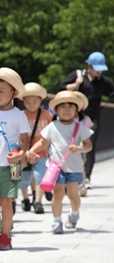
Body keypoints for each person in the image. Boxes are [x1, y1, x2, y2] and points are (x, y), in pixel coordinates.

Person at [28, 91, 93, 234]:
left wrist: (80, 148)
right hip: (56, 167)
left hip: (74, 167)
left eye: (71, 106)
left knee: (73, 195)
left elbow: (89, 145)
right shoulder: (52, 126)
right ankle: (57, 221)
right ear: (56, 110)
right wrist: (31, 150)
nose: (67, 109)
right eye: (62, 106)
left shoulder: (80, 128)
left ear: (76, 110)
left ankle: (74, 214)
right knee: (58, 193)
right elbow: (43, 142)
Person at [0, 67, 31, 250]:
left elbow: (25, 139)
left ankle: (5, 236)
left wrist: (21, 154)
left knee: (6, 201)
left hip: (10, 165)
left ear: (14, 93)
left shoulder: (19, 115)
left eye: (2, 91)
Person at [59, 51, 114, 189]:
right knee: (70, 144)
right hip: (75, 116)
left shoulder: (104, 82)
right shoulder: (78, 75)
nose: (99, 72)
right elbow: (61, 88)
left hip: (93, 118)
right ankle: (68, 175)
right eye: (97, 68)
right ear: (89, 65)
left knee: (90, 146)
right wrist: (76, 84)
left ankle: (86, 177)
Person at [19, 82, 53, 214]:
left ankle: (38, 201)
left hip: (41, 152)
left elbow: (51, 133)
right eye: (28, 102)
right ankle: (26, 198)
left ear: (40, 100)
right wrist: (24, 151)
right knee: (23, 178)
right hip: (24, 152)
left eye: (35, 101)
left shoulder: (47, 115)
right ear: (23, 102)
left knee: (40, 176)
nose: (31, 104)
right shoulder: (20, 115)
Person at [72, 91, 94, 197]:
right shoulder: (63, 119)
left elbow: (87, 134)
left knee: (81, 165)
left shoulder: (85, 119)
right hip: (68, 146)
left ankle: (81, 184)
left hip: (80, 145)